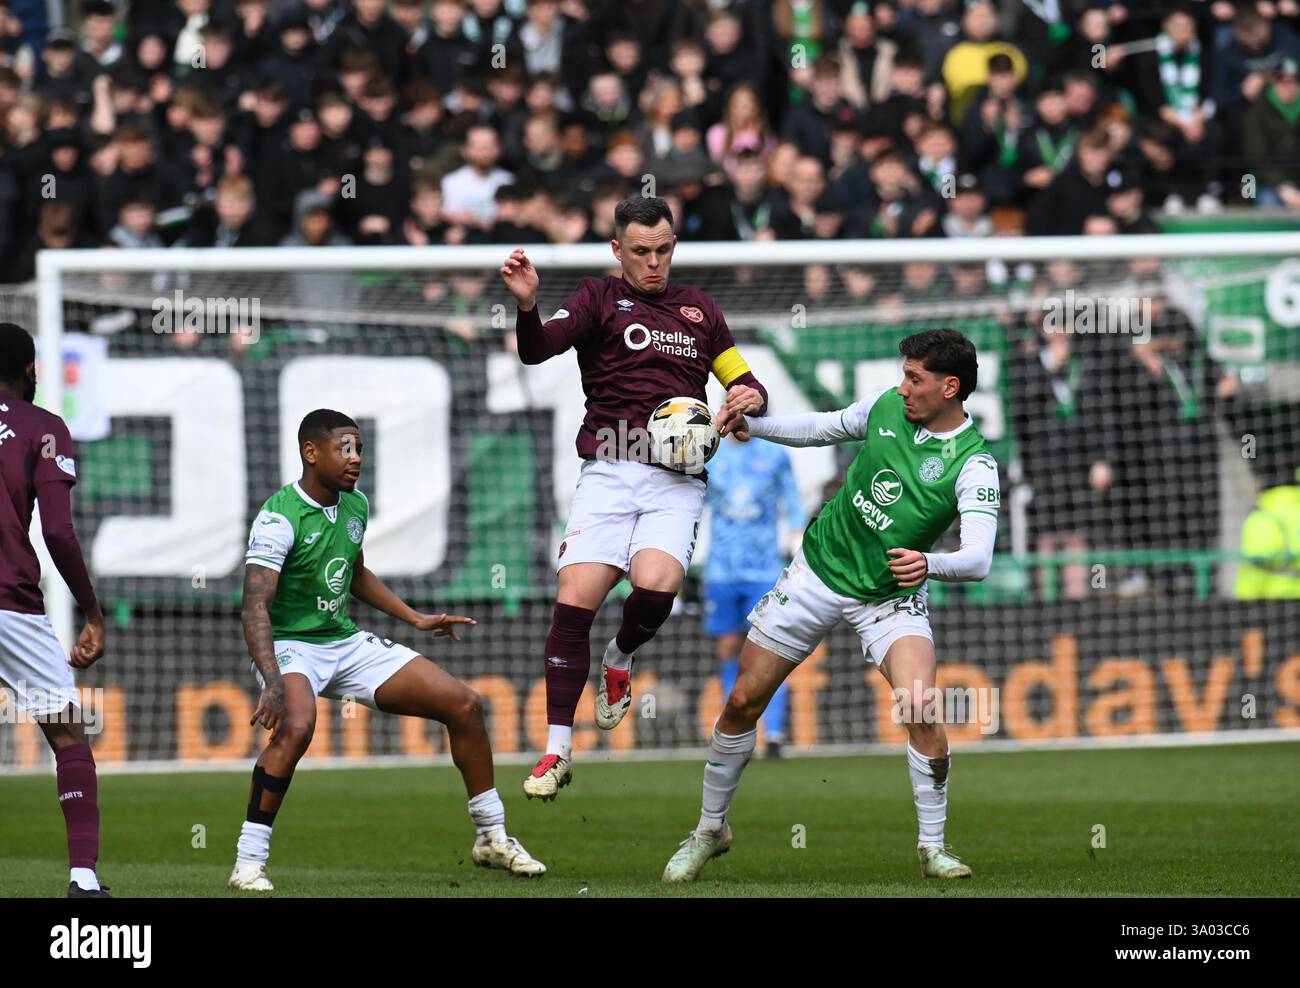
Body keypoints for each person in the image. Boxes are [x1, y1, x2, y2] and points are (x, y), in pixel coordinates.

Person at [662, 329, 1000, 883]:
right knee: (744, 699)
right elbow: (825, 427)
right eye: (905, 374)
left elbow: (978, 559)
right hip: (818, 570)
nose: (904, 386)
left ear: (950, 387)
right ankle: (709, 829)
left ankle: (933, 847)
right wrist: (759, 427)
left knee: (919, 705)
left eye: (916, 378)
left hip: (891, 594)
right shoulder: (888, 406)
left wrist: (928, 563)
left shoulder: (974, 464)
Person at [499, 195, 770, 800]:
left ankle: (619, 658)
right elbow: (538, 347)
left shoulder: (701, 311)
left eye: (664, 250)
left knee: (655, 590)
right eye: (641, 251)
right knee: (575, 601)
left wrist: (751, 397)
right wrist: (526, 305)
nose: (654, 262)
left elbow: (744, 381)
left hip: (676, 480)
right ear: (617, 250)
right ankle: (556, 752)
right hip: (609, 471)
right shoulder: (597, 298)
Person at [229, 409, 545, 890]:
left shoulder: (354, 504)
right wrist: (271, 680)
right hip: (291, 645)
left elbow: (354, 573)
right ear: (311, 452)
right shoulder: (278, 517)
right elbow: (255, 605)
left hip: (343, 639)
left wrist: (414, 618)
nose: (356, 458)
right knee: (296, 727)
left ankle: (492, 837)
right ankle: (248, 862)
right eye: (344, 448)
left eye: (358, 448)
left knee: (464, 705)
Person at [0, 322, 108, 897]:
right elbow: (60, 533)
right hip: (11, 600)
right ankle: (84, 881)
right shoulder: (43, 428)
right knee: (68, 736)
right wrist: (92, 611)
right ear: (30, 370)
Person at [702, 434, 806, 758]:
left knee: (771, 649)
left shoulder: (775, 455)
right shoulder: (709, 455)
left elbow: (793, 502)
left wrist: (798, 540)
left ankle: (774, 733)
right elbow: (692, 503)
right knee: (728, 648)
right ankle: (731, 731)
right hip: (721, 569)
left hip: (763, 569)